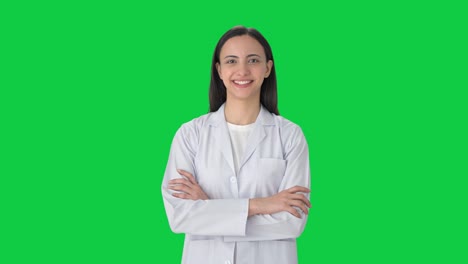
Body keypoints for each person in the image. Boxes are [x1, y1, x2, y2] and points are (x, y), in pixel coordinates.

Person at [162, 25, 311, 264]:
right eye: (231, 61)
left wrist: (209, 209)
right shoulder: (190, 134)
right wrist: (262, 204)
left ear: (267, 69)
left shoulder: (290, 135)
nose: (242, 70)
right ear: (219, 70)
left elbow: (292, 222)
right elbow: (180, 217)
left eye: (253, 60)